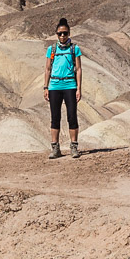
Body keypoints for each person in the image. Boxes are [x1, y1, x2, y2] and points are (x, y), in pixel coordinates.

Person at [43, 18, 83, 159]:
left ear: (69, 33)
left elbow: (78, 69)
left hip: (70, 85)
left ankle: (74, 147)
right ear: (56, 34)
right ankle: (55, 148)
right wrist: (45, 87)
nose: (62, 36)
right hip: (54, 86)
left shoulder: (74, 49)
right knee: (55, 117)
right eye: (60, 33)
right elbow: (48, 69)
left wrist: (78, 88)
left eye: (65, 33)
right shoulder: (52, 49)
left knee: (72, 116)